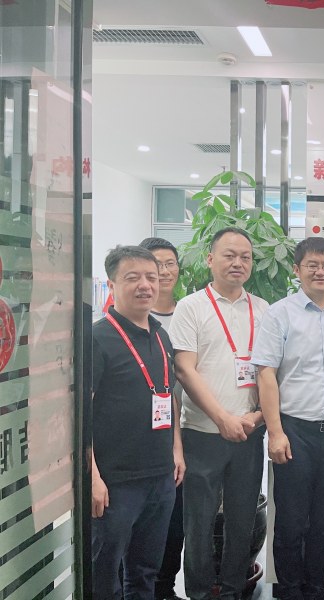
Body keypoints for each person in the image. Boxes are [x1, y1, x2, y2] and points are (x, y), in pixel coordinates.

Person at [252, 237, 324, 600]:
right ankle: (289, 590)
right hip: (295, 431)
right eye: (312, 265)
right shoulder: (279, 313)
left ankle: (315, 588)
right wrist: (276, 432)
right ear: (297, 269)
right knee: (292, 521)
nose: (320, 271)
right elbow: (266, 373)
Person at [169, 227, 269, 600]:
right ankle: (198, 592)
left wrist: (258, 416)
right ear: (210, 259)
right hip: (202, 434)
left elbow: (271, 372)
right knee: (198, 523)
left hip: (249, 433)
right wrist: (222, 418)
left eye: (245, 256)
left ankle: (232, 591)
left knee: (242, 521)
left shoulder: (263, 309)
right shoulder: (191, 307)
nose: (238, 262)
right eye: (229, 255)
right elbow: (184, 369)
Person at [92, 245, 184, 599]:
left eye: (151, 277)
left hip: (160, 478)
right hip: (115, 482)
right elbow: (80, 416)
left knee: (145, 572)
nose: (145, 285)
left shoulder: (161, 336)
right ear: (112, 284)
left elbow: (167, 395)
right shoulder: (97, 338)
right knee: (104, 576)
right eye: (133, 277)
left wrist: (176, 450)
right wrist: (92, 477)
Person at [140, 236, 187, 600]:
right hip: (142, 437)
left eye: (171, 263)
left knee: (175, 520)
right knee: (139, 522)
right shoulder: (132, 318)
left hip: (184, 433)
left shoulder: (191, 310)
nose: (165, 271)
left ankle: (165, 587)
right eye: (157, 264)